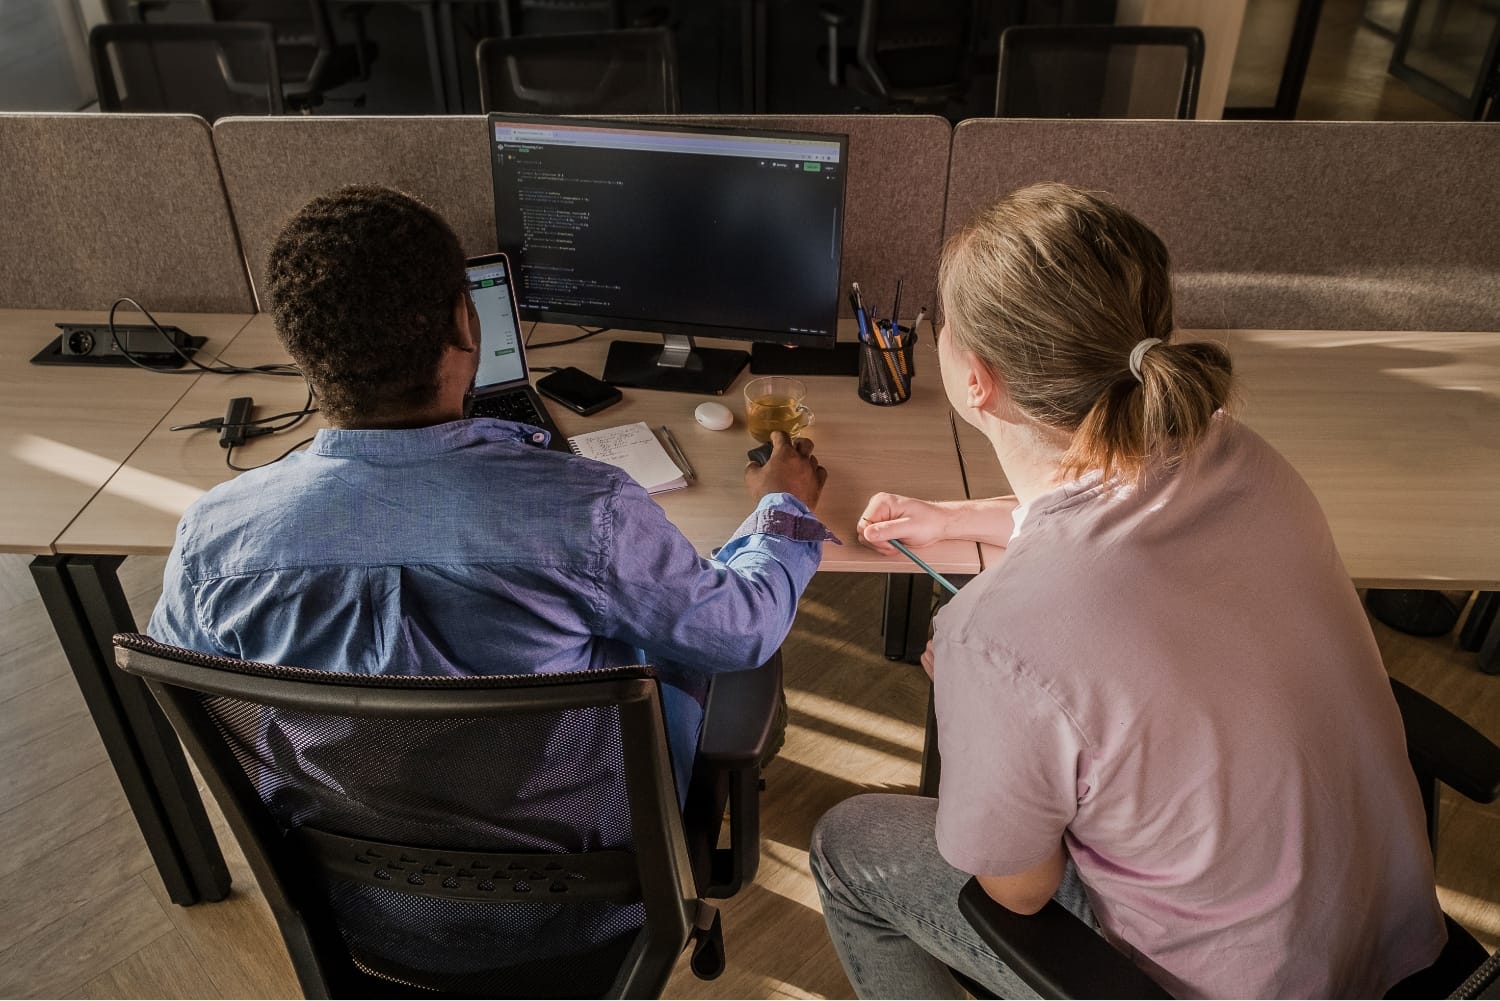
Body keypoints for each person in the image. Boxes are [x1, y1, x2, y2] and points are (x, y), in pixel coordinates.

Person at [810, 182, 1445, 998]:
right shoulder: (1236, 451)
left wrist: (986, 715)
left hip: (1229, 983)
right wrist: (963, 518)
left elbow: (1019, 890)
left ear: (978, 381)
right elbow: (1109, 513)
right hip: (1384, 937)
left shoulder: (992, 635)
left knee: (848, 842)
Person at [148, 183, 832, 800]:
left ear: (299, 347)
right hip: (594, 888)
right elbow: (741, 631)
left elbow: (195, 699)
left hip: (353, 902)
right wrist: (784, 508)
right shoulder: (587, 513)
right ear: (465, 324)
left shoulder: (215, 538)